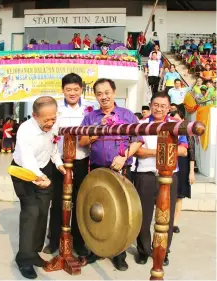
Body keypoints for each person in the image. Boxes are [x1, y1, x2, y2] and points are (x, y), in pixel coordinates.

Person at [79, 78, 144, 271]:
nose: (103, 97)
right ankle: (95, 248)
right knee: (95, 209)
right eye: (99, 93)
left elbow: (138, 140)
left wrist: (124, 157)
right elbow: (82, 141)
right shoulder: (91, 117)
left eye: (107, 92)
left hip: (121, 169)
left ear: (114, 92)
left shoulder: (127, 115)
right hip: (98, 171)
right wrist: (98, 127)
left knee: (123, 214)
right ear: (96, 96)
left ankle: (119, 254)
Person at [11, 96, 65, 279]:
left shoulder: (54, 126)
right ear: (34, 115)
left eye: (53, 118)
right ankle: (23, 259)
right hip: (23, 172)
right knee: (31, 211)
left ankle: (33, 253)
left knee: (42, 212)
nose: (50, 123)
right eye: (46, 120)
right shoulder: (25, 130)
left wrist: (58, 164)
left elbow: (53, 148)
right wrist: (39, 176)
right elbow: (27, 159)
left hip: (45, 169)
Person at [134, 92, 188, 266]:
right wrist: (163, 152)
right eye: (156, 105)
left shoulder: (176, 125)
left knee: (167, 218)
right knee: (142, 216)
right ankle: (143, 251)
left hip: (169, 177)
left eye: (163, 106)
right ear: (150, 105)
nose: (159, 108)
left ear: (169, 107)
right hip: (145, 175)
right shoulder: (140, 124)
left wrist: (153, 152)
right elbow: (138, 151)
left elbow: (183, 150)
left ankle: (162, 252)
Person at [43, 73, 90, 257]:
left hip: (81, 160)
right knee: (57, 201)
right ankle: (54, 240)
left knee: (79, 201)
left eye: (76, 89)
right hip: (59, 162)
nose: (72, 93)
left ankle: (79, 242)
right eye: (68, 89)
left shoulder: (88, 109)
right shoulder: (55, 109)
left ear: (81, 90)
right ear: (62, 90)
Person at [169, 110, 195, 234]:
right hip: (171, 164)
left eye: (177, 120)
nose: (175, 123)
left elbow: (191, 154)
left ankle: (174, 223)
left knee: (179, 197)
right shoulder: (168, 131)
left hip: (183, 166)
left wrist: (191, 172)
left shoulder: (187, 133)